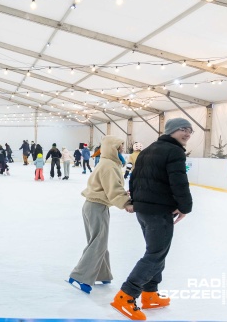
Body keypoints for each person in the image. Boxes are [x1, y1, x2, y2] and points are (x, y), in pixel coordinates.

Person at [111, 118, 194, 320]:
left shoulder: (149, 149)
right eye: (183, 129)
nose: (188, 133)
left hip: (145, 211)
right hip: (158, 211)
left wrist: (136, 202)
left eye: (190, 130)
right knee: (155, 254)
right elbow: (179, 183)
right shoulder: (174, 151)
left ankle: (150, 294)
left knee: (157, 253)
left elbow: (135, 178)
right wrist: (185, 207)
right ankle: (126, 295)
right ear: (172, 131)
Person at [68, 136, 132, 295]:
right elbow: (113, 188)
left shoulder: (107, 163)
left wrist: (125, 195)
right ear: (112, 148)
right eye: (120, 146)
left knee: (98, 241)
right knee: (98, 242)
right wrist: (127, 203)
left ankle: (101, 273)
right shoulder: (109, 166)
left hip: (93, 205)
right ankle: (80, 276)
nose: (122, 149)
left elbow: (109, 187)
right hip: (97, 207)